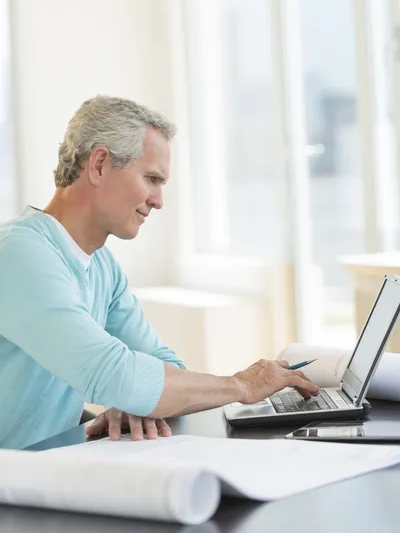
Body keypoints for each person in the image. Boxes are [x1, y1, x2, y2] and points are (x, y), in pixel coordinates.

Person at [0, 96, 319, 449]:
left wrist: (138, 398)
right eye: (151, 179)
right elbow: (114, 373)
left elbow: (164, 365)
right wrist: (243, 386)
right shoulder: (19, 254)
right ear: (100, 164)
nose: (158, 200)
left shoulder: (102, 266)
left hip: (47, 468)